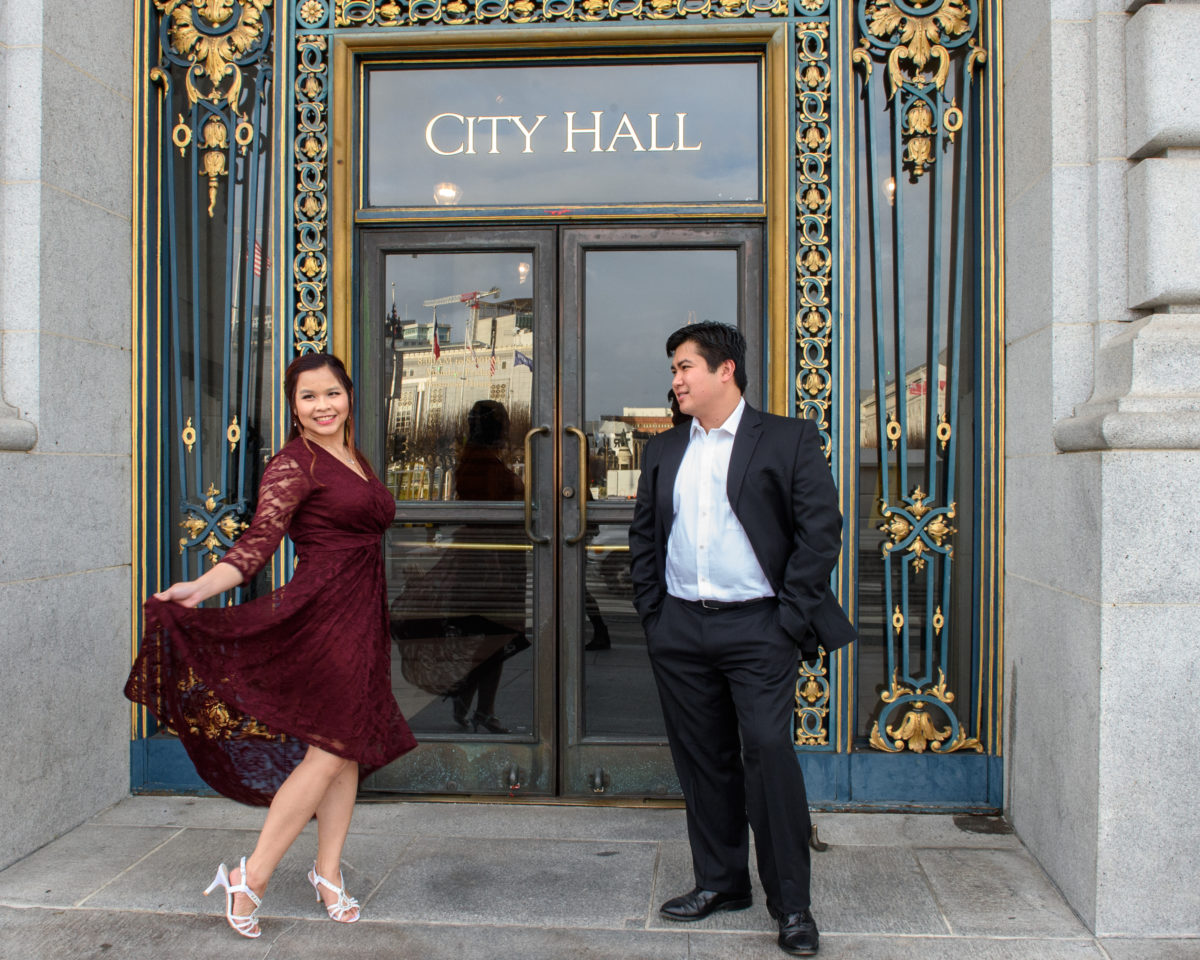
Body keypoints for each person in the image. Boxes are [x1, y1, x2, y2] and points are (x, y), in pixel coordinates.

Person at [124, 353, 417, 939]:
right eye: (308, 397)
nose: (323, 406)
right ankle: (249, 877)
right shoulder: (292, 464)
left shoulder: (352, 456)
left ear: (349, 396)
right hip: (322, 619)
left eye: (331, 393)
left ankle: (327, 874)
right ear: (292, 406)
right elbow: (258, 545)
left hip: (362, 618)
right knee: (329, 751)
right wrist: (201, 587)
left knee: (347, 746)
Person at [628, 322, 855, 957]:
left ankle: (793, 905)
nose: (675, 381)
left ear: (725, 370)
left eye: (684, 368)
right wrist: (654, 613)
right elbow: (644, 536)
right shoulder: (663, 450)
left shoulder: (785, 437)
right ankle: (721, 883)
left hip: (758, 625)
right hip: (680, 626)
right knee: (703, 759)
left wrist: (787, 619)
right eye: (673, 370)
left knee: (766, 752)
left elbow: (821, 533)